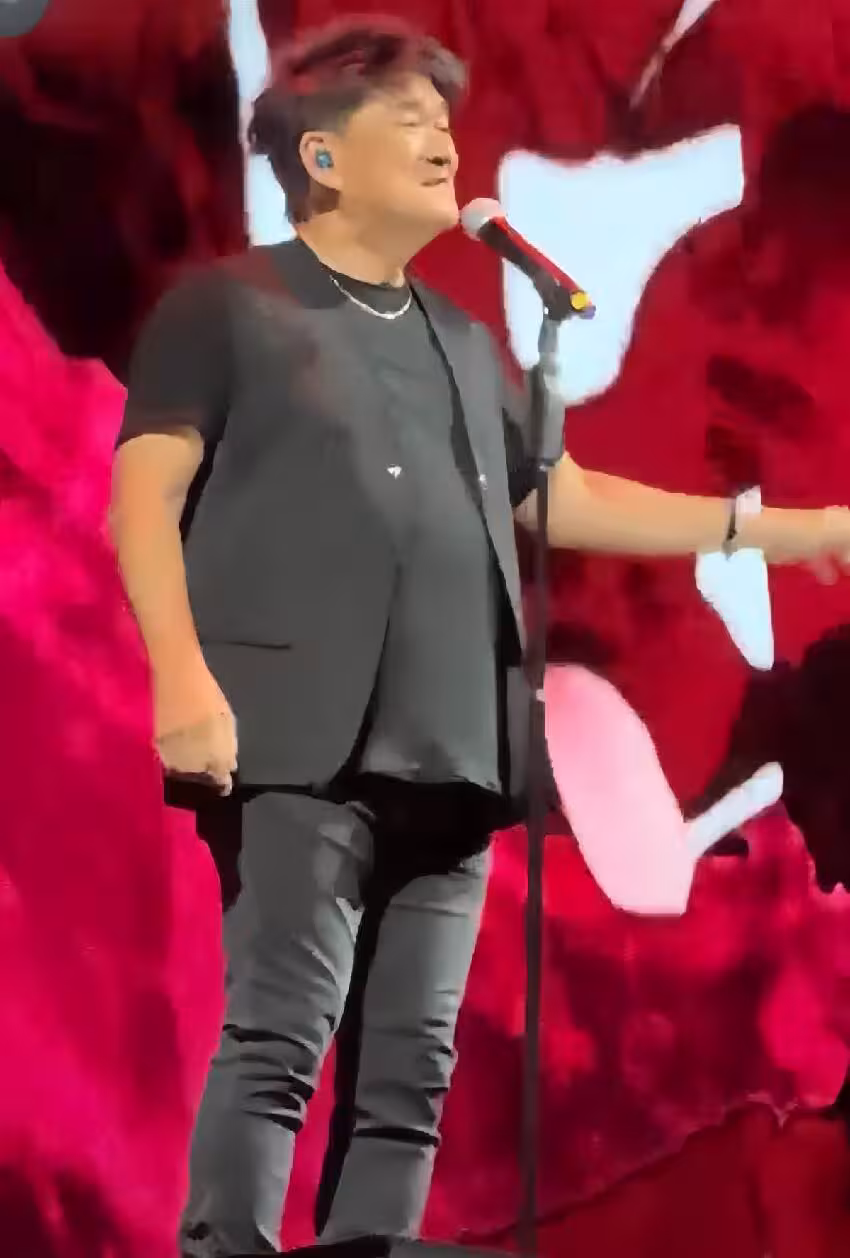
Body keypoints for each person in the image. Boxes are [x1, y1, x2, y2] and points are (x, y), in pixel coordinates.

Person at [110, 18, 850, 1256]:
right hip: (306, 746)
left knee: (408, 1070)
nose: (443, 146)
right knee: (283, 1035)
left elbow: (559, 499)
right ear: (323, 158)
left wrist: (762, 527)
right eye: (410, 125)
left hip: (451, 756)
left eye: (443, 124)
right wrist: (182, 678)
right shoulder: (230, 315)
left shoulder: (460, 343)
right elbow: (144, 500)